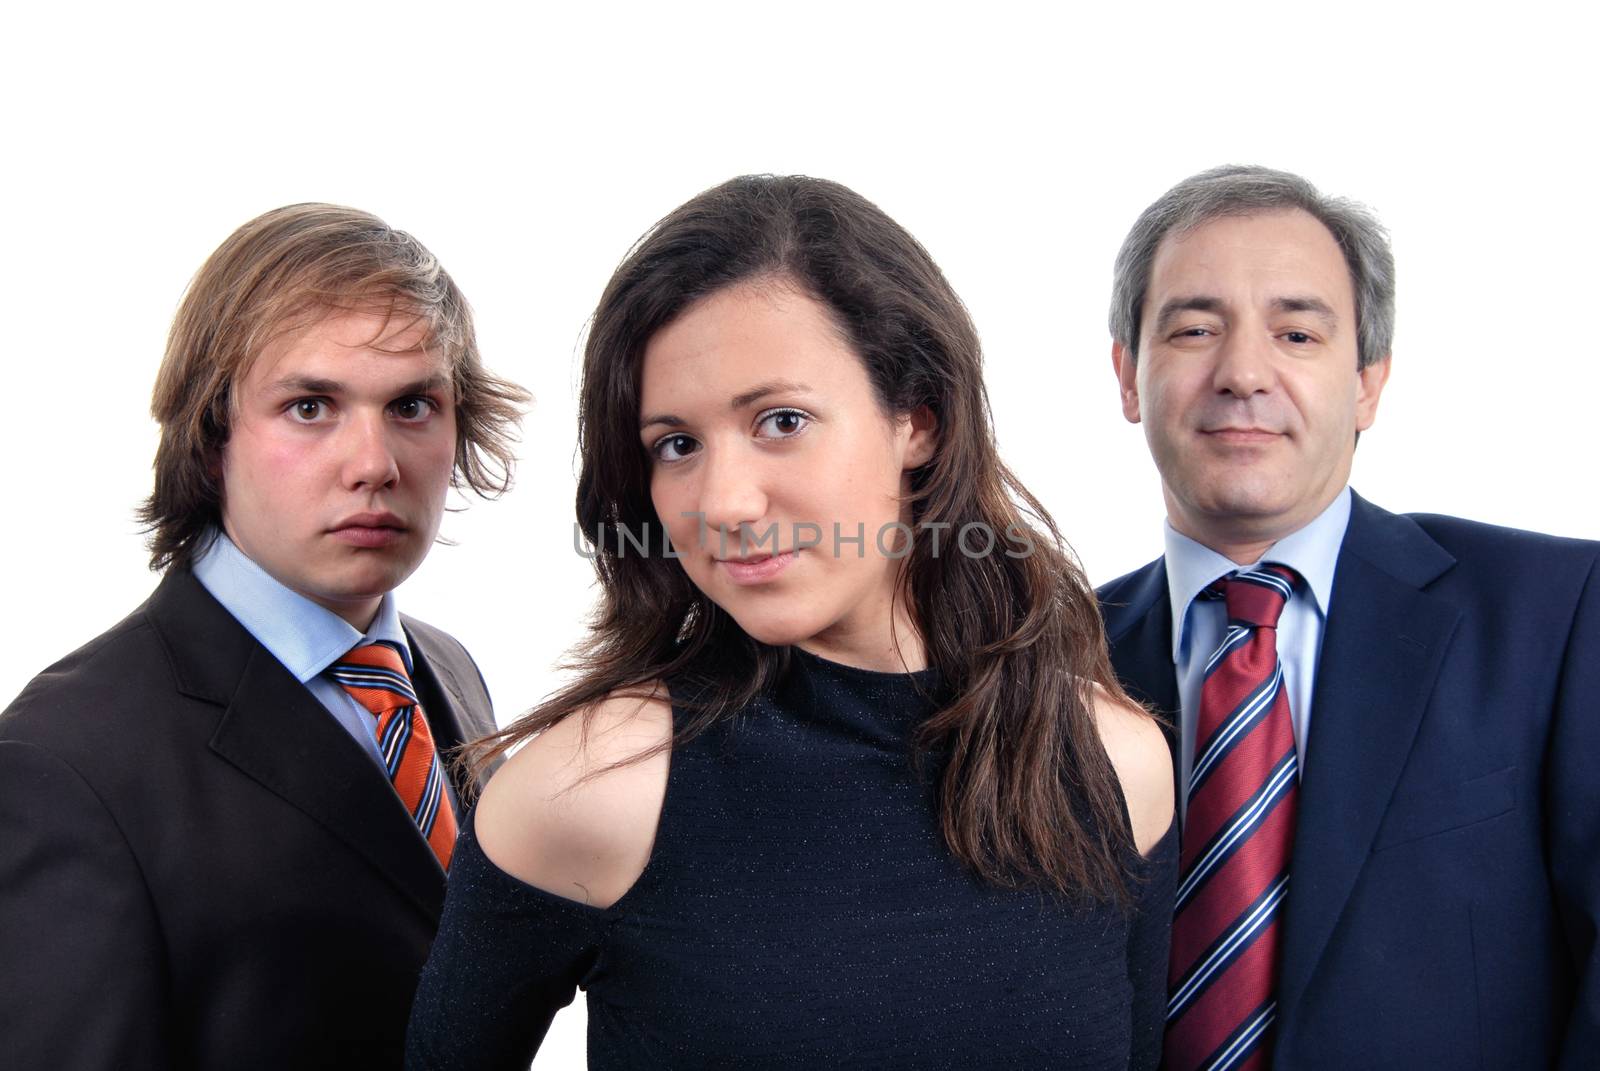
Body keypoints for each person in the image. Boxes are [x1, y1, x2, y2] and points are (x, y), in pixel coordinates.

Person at [407, 175, 1177, 1069]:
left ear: (917, 421)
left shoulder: (1115, 758)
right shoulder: (590, 787)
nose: (724, 502)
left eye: (780, 420)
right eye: (676, 444)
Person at [0, 203, 530, 1069]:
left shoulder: (446, 669)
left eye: (412, 405)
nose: (374, 462)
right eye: (311, 405)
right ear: (212, 436)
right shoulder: (61, 763)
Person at [1098, 164, 1600, 1070]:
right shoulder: (1043, 659)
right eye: (1194, 328)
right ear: (1130, 376)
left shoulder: (1558, 614)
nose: (1243, 372)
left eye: (1296, 332)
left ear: (1368, 381)